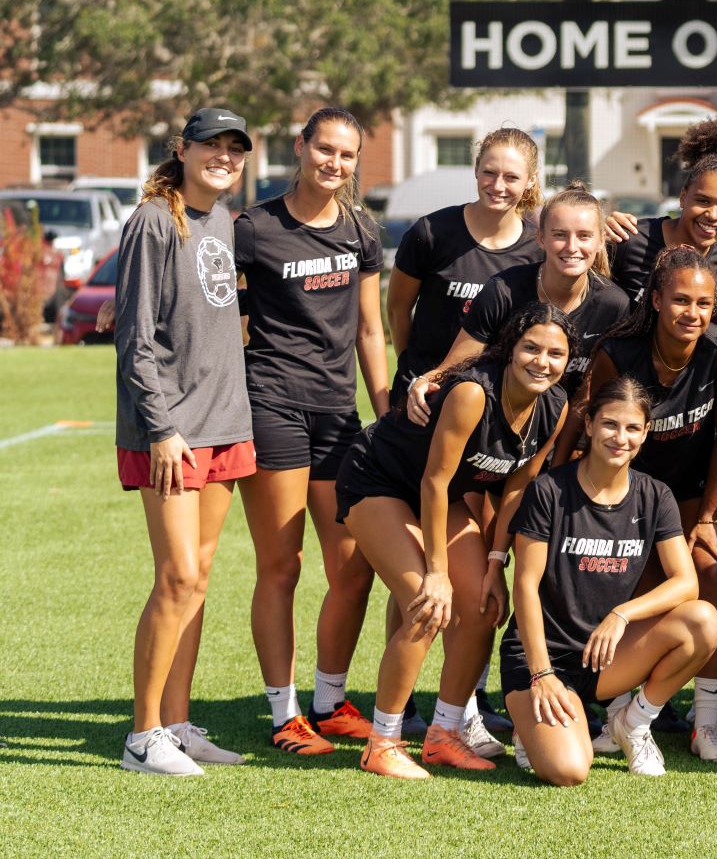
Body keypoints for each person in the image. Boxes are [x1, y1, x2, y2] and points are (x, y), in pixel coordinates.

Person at [335, 303, 575, 777]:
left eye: (555, 353)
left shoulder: (557, 405)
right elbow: (435, 482)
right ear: (509, 350)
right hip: (379, 480)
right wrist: (437, 573)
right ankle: (382, 743)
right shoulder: (472, 393)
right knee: (428, 604)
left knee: (484, 608)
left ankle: (443, 734)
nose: (541, 362)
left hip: (437, 492)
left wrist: (494, 561)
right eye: (531, 348)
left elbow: (517, 487)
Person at [232, 108, 388, 755]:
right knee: (282, 566)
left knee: (354, 568)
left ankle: (329, 700)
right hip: (273, 407)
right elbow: (226, 318)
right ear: (300, 148)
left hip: (338, 415)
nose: (334, 163)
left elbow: (371, 330)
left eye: (346, 155)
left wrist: (384, 414)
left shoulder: (361, 230)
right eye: (324, 149)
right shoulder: (255, 228)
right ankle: (283, 713)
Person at [116, 108, 256, 775]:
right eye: (212, 145)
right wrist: (162, 427)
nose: (224, 156)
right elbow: (134, 339)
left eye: (235, 148)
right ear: (183, 149)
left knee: (198, 581)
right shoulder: (152, 220)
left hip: (225, 423)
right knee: (175, 578)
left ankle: (174, 724)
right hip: (171, 431)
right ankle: (143, 738)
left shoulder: (223, 219)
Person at [496, 376, 717, 785]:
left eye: (633, 428)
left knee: (704, 620)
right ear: (588, 425)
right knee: (569, 770)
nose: (620, 437)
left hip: (604, 656)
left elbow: (685, 583)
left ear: (646, 433)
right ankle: (532, 724)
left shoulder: (655, 496)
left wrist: (622, 614)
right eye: (610, 425)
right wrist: (541, 674)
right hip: (544, 656)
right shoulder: (549, 491)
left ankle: (632, 723)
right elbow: (525, 587)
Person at [574, 247, 717, 761]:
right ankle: (618, 715)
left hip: (693, 494)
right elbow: (589, 427)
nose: (691, 313)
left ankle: (708, 722)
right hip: (627, 494)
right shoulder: (618, 352)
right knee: (622, 579)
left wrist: (710, 519)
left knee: (708, 574)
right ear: (654, 300)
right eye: (679, 300)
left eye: (703, 303)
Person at [404, 184, 630, 419]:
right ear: (541, 238)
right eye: (560, 235)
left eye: (584, 236)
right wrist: (424, 381)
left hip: (562, 431)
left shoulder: (613, 305)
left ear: (601, 240)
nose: (572, 247)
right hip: (492, 426)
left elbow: (599, 393)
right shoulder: (503, 290)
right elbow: (455, 364)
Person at [387, 128, 543, 394]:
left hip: (492, 399)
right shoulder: (431, 232)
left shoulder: (537, 248)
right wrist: (411, 371)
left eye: (511, 177)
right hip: (423, 396)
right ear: (476, 169)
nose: (497, 186)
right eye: (489, 172)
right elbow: (397, 310)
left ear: (530, 180)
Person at [609, 112, 717, 305]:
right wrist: (597, 230)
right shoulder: (629, 240)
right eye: (703, 201)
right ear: (683, 197)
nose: (712, 215)